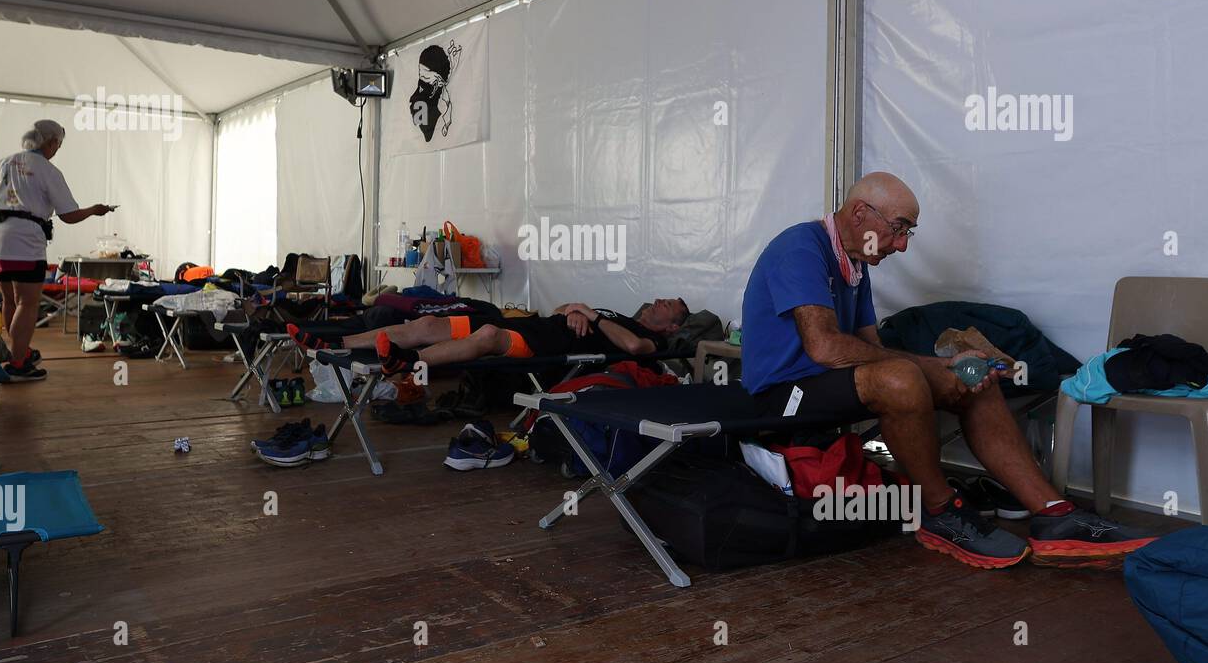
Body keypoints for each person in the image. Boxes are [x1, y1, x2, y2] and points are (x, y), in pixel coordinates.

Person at [741, 171, 1155, 569]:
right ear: (859, 213)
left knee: (974, 380)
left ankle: (1054, 512)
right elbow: (825, 346)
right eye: (899, 228)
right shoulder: (801, 248)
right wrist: (926, 368)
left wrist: (944, 368)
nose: (902, 246)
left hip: (825, 382)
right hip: (781, 397)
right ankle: (940, 511)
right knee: (901, 377)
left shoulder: (855, 262)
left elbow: (871, 348)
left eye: (909, 233)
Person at [0, 120, 115, 381]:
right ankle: (17, 365)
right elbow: (68, 215)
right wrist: (95, 209)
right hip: (24, 239)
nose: (58, 148)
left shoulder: (4, 162)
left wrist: (2, 205)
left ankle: (16, 351)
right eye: (58, 143)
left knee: (10, 299)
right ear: (50, 142)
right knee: (28, 302)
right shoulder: (47, 170)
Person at [288, 298, 689, 373]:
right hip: (540, 325)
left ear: (672, 326)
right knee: (426, 325)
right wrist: (571, 310)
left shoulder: (651, 339)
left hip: (546, 345)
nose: (658, 300)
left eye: (667, 304)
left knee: (490, 334)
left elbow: (635, 349)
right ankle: (338, 343)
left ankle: (407, 364)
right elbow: (562, 310)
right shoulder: (617, 311)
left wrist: (591, 318)